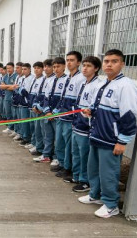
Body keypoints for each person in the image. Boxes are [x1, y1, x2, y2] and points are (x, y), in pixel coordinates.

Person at [79, 49, 137, 218]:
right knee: (94, 169)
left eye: (114, 61)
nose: (109, 64)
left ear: (122, 64)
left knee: (108, 173)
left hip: (111, 139)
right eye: (106, 61)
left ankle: (111, 204)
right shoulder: (104, 83)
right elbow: (101, 108)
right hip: (97, 134)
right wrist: (90, 111)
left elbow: (128, 116)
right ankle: (95, 195)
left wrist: (122, 140)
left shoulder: (125, 85)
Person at [69, 56, 101, 192]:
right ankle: (76, 176)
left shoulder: (97, 85)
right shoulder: (84, 84)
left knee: (84, 155)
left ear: (96, 68)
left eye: (88, 66)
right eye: (84, 65)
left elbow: (94, 107)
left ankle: (85, 181)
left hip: (86, 127)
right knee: (75, 153)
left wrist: (88, 113)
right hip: (77, 125)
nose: (85, 68)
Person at [53, 51, 85, 180]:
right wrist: (57, 110)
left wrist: (71, 113)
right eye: (67, 60)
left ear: (78, 62)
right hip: (61, 116)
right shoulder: (67, 78)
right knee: (59, 142)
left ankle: (69, 168)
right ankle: (62, 163)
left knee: (69, 145)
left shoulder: (81, 78)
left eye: (72, 60)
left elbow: (78, 101)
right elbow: (62, 98)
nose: (69, 62)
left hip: (70, 118)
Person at [42, 57, 68, 171]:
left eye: (58, 66)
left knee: (58, 139)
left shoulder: (66, 80)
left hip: (57, 115)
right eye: (54, 67)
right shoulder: (50, 80)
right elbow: (46, 97)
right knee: (48, 135)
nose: (56, 69)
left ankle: (57, 157)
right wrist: (47, 111)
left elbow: (62, 100)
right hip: (48, 113)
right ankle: (46, 154)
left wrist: (54, 113)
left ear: (64, 67)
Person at [32, 59, 56, 163]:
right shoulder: (43, 79)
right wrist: (35, 105)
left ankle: (48, 155)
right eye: (45, 66)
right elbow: (38, 95)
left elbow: (50, 98)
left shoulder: (54, 79)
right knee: (42, 132)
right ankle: (44, 152)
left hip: (48, 112)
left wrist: (43, 108)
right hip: (41, 110)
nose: (46, 69)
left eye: (48, 66)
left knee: (50, 135)